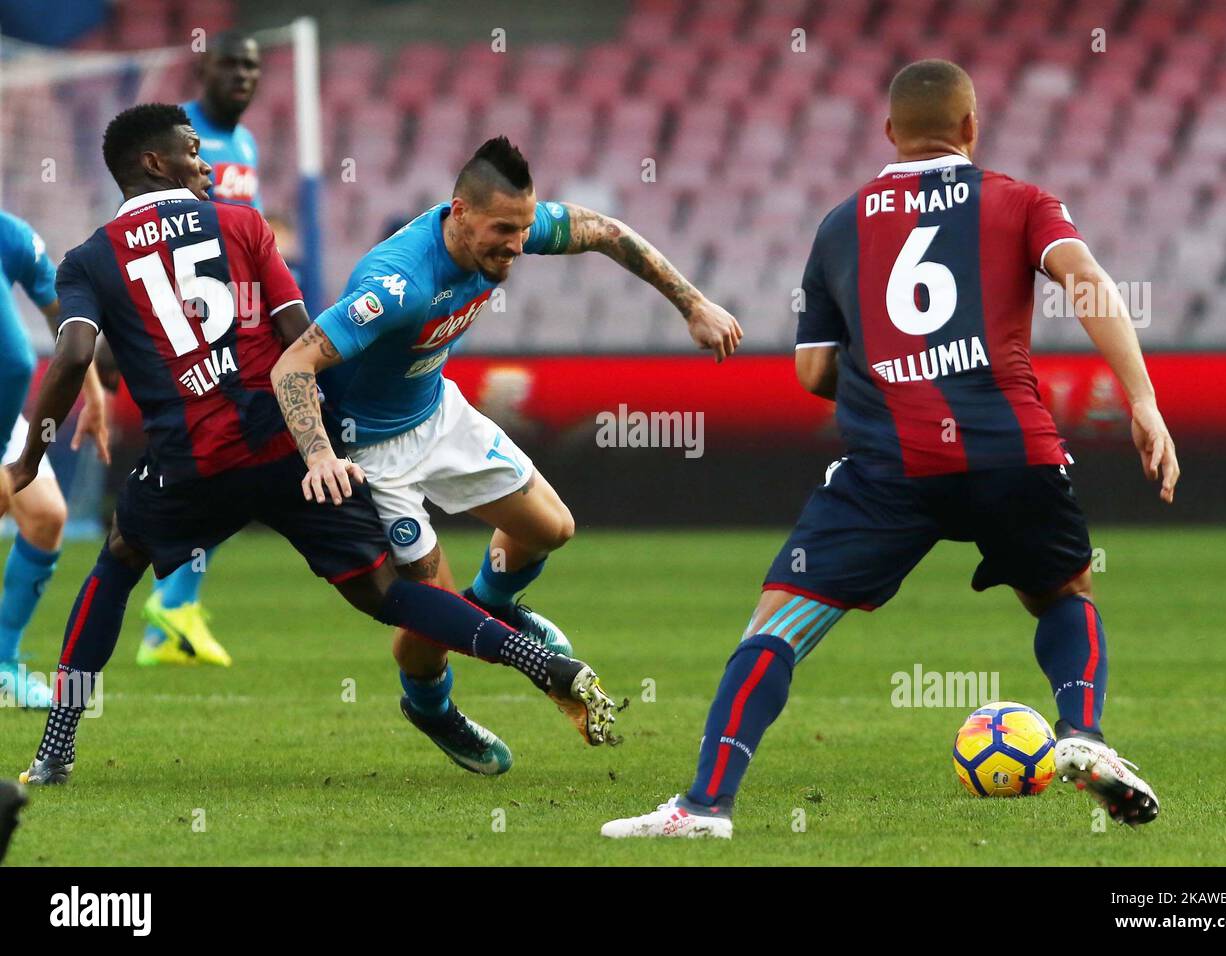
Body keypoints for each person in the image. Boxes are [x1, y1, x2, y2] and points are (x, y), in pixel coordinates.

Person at [602, 59, 1178, 839]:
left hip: (891, 467)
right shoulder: (1020, 201)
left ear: (888, 135)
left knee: (773, 630)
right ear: (971, 128)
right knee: (1062, 593)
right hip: (1013, 450)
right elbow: (1084, 277)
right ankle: (1082, 733)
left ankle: (705, 805)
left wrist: (891, 372)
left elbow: (812, 372)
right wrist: (1141, 400)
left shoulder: (841, 224)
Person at [6, 103, 617, 786]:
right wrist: (326, 448)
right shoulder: (243, 225)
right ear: (154, 163)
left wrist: (30, 456)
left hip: (191, 459)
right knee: (388, 593)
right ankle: (543, 664)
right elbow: (302, 335)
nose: (208, 164)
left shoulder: (88, 260)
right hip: (288, 447)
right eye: (192, 151)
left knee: (118, 563)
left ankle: (56, 751)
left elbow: (72, 357)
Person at [272, 135, 742, 775]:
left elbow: (605, 230)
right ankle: (431, 708)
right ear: (459, 212)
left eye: (524, 230)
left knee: (552, 528)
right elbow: (293, 363)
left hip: (437, 412)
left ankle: (491, 603)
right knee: (431, 624)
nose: (518, 247)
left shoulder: (509, 226)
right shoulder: (395, 284)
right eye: (503, 231)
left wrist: (693, 303)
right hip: (372, 454)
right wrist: (321, 454)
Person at [136, 30, 265, 667]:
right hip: (190, 324)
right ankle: (174, 602)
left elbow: (249, 229)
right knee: (221, 464)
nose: (243, 75)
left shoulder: (245, 145)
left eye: (252, 66)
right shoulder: (178, 142)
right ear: (204, 68)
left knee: (212, 462)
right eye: (231, 64)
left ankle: (163, 632)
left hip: (235, 324)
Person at [0, 210, 110, 708]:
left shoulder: (12, 236)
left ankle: (2, 663)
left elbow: (64, 321)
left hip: (2, 417)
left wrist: (94, 397)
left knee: (46, 517)